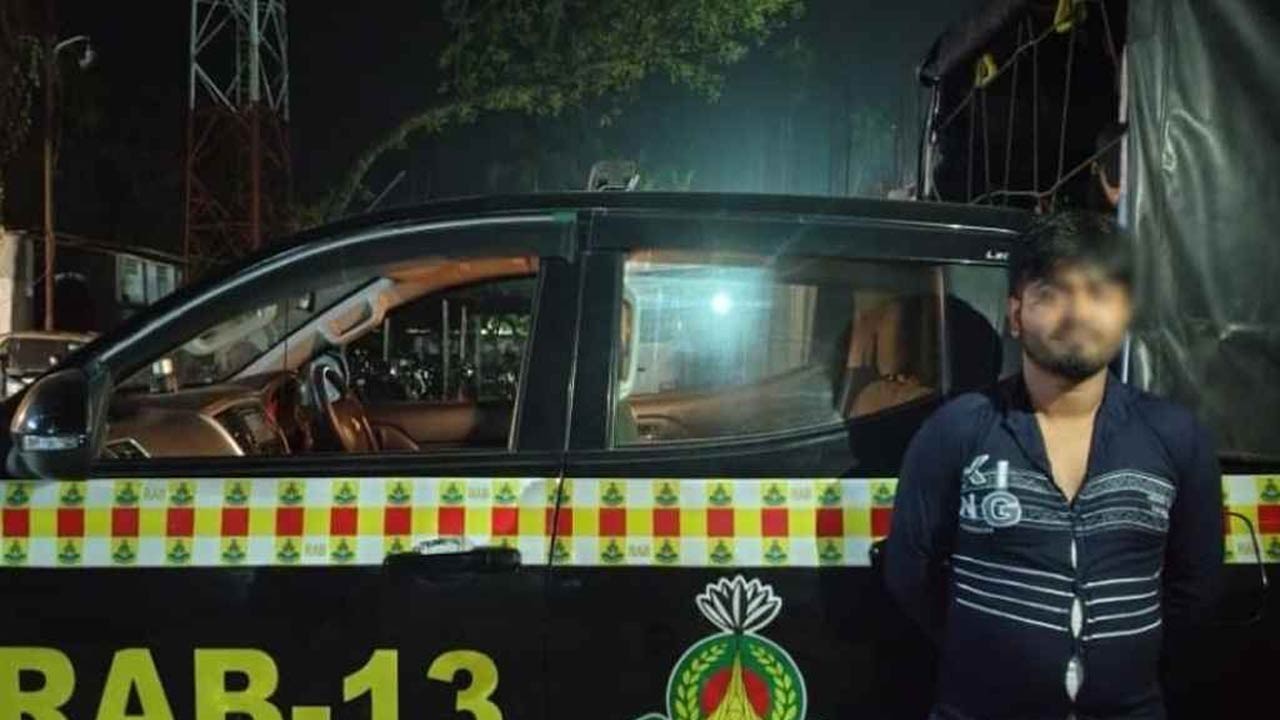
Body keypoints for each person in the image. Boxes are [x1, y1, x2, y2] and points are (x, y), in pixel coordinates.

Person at [884, 211, 1223, 719]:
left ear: (1126, 312)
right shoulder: (957, 430)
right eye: (1051, 294)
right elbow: (911, 573)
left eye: (1099, 293)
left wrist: (1124, 663)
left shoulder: (1176, 436)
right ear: (1016, 313)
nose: (1077, 313)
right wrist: (986, 654)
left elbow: (1196, 590)